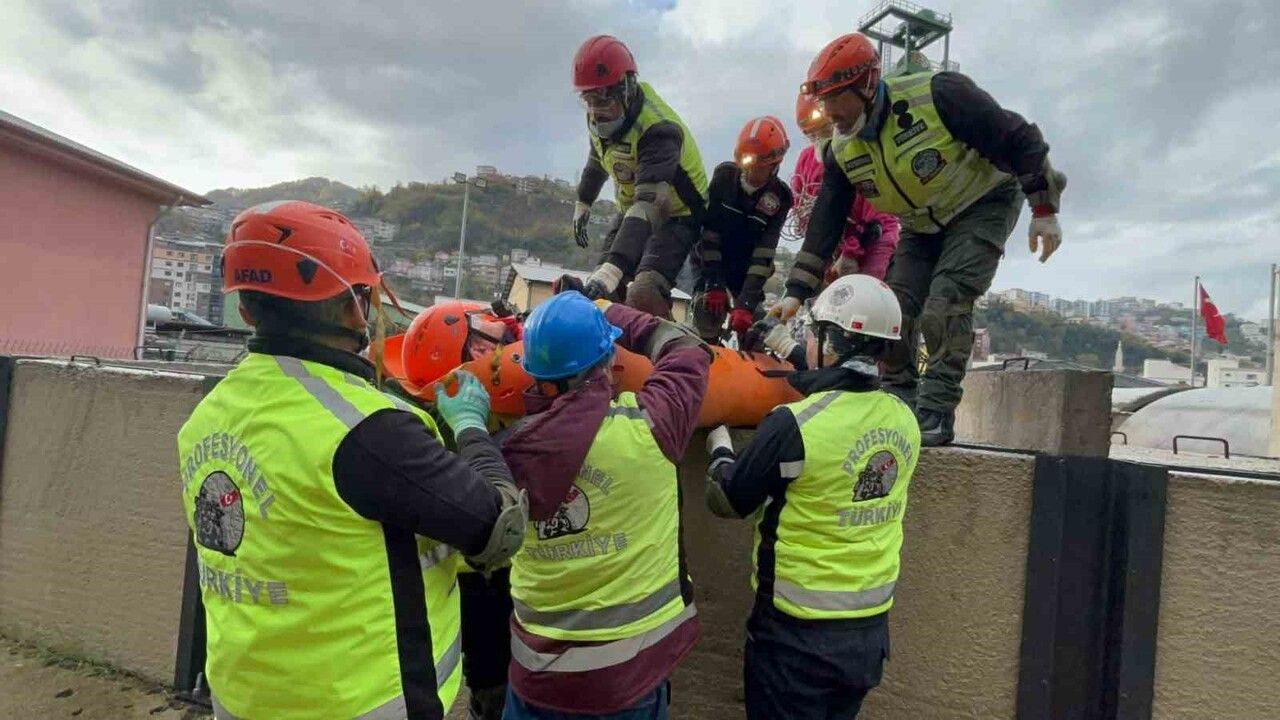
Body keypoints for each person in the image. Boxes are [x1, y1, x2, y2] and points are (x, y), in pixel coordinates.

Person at [177, 201, 528, 720]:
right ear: (353, 307)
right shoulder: (368, 428)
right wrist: (472, 427)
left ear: (248, 310)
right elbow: (500, 527)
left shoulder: (207, 415)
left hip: (242, 696)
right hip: (359, 702)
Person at [771, 32, 1067, 446]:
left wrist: (1043, 206)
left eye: (839, 98)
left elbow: (1017, 135)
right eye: (825, 102)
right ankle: (899, 398)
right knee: (894, 311)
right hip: (922, 224)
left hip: (982, 201)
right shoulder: (842, 148)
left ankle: (936, 411)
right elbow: (827, 218)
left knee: (945, 302)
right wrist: (796, 289)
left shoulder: (939, 95)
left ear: (868, 85)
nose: (832, 113)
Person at [704, 274, 921, 720]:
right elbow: (843, 387)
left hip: (795, 640)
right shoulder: (904, 419)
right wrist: (787, 347)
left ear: (832, 342)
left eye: (815, 333)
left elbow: (729, 500)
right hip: (867, 637)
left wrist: (720, 448)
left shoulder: (793, 425)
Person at [497, 291, 712, 719]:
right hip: (626, 684)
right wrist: (608, 310)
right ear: (610, 362)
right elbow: (688, 350)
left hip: (536, 681)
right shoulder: (650, 428)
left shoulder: (508, 452)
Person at [569, 34, 709, 319]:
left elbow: (650, 204)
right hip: (634, 207)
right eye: (589, 101)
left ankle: (677, 350)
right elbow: (597, 159)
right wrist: (584, 201)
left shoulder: (659, 130)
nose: (596, 113)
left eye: (602, 100)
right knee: (601, 291)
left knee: (642, 291)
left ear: (627, 90)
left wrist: (615, 265)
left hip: (678, 213)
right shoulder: (599, 119)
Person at [689, 115, 794, 345]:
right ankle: (705, 353)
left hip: (747, 269)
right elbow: (710, 234)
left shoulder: (780, 197)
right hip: (711, 259)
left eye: (759, 168)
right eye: (747, 166)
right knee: (708, 310)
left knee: (755, 328)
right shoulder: (724, 177)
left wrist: (745, 303)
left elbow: (764, 253)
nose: (751, 173)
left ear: (775, 165)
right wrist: (714, 283)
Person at [790, 91, 900, 282]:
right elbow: (803, 206)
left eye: (824, 129)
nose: (819, 138)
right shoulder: (806, 160)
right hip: (836, 245)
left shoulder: (857, 152)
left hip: (874, 238)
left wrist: (851, 253)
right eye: (811, 133)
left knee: (865, 298)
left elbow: (877, 217)